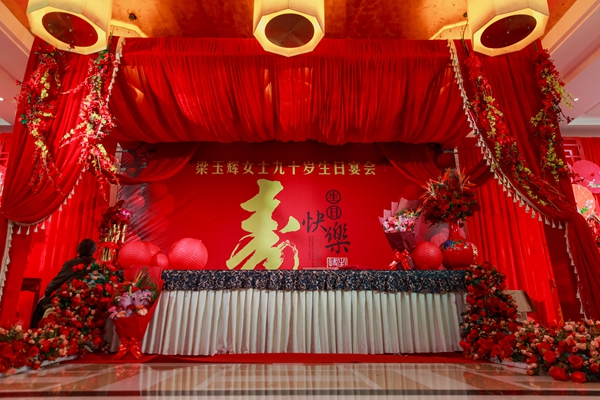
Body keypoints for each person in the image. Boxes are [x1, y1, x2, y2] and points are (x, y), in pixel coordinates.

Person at [30, 239, 97, 328]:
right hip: (89, 301)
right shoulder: (97, 264)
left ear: (79, 249)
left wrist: (47, 293)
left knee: (42, 304)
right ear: (93, 251)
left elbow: (57, 281)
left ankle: (34, 331)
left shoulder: (72, 263)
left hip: (70, 299)